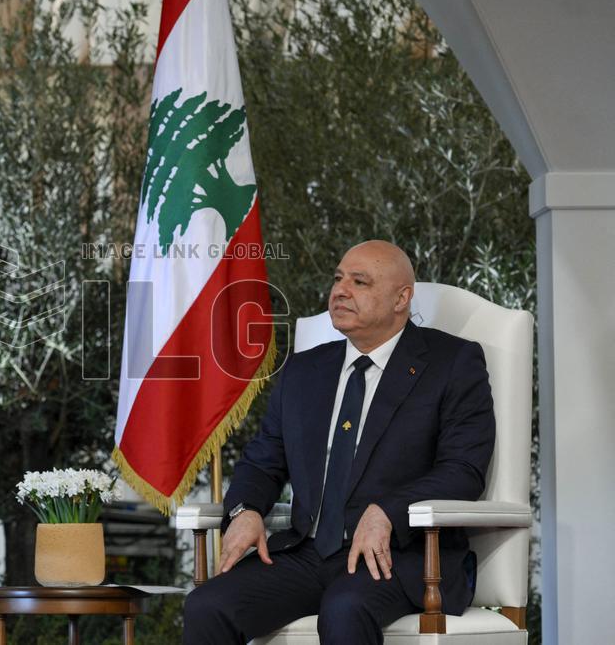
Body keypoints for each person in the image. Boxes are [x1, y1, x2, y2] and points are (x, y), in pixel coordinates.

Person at [183, 240, 495, 644]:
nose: (340, 290)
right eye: (338, 278)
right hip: (307, 554)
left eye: (359, 282)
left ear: (402, 298)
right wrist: (246, 510)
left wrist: (388, 511)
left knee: (345, 608)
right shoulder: (303, 370)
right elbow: (262, 463)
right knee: (207, 605)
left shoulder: (452, 363)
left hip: (400, 556)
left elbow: (463, 470)